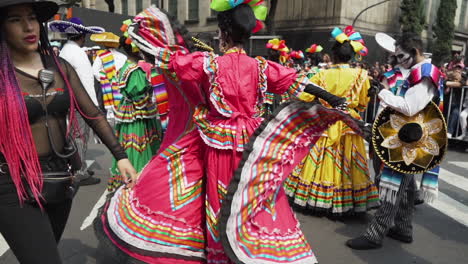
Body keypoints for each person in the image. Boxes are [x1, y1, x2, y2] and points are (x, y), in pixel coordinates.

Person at [95, 4, 350, 264]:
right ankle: (251, 246)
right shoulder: (261, 66)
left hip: (217, 140)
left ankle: (221, 251)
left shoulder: (209, 63)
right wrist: (332, 97)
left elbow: (170, 60)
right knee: (257, 196)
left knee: (212, 193)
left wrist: (144, 36)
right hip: (253, 142)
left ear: (223, 33)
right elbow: (297, 81)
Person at [0, 1, 136, 263]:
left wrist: (121, 156)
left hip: (61, 179)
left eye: (31, 18)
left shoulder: (60, 66)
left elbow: (93, 114)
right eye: (15, 20)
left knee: (44, 251)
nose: (28, 26)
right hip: (14, 184)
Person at [347, 33, 444, 250]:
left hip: (410, 138)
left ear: (415, 52)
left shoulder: (425, 73)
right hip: (409, 136)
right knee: (406, 186)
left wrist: (383, 93)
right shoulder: (422, 71)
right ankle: (402, 227)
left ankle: (375, 234)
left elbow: (410, 107)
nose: (399, 61)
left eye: (401, 56)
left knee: (391, 185)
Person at [284, 26, 379, 216]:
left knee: (322, 158)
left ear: (333, 55)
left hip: (325, 119)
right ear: (351, 56)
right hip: (350, 122)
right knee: (349, 160)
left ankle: (318, 197)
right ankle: (349, 201)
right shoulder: (361, 75)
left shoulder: (321, 74)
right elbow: (361, 104)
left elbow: (304, 95)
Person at [49, 17, 105, 185]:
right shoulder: (77, 53)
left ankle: (78, 167)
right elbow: (86, 82)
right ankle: (79, 172)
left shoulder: (67, 50)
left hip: (72, 100)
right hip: (81, 102)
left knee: (76, 135)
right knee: (80, 135)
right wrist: (93, 106)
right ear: (80, 36)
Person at [107, 33, 163, 192]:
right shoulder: (136, 70)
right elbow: (138, 93)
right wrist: (151, 91)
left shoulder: (125, 66)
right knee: (140, 145)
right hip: (139, 113)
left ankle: (126, 177)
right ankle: (138, 179)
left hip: (128, 111)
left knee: (127, 143)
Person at [91, 31, 127, 122]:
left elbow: (95, 71)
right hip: (120, 85)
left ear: (104, 44)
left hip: (106, 88)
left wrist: (104, 79)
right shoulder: (123, 56)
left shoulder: (101, 56)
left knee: (107, 113)